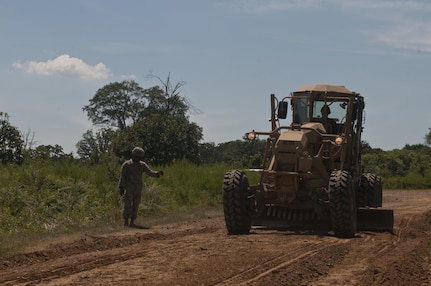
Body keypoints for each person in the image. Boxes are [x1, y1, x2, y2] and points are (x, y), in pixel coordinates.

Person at [118, 147, 164, 227]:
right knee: (127, 205)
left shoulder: (142, 165)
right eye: (138, 156)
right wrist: (121, 187)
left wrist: (157, 173)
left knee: (136, 204)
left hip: (138, 188)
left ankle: (132, 221)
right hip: (129, 188)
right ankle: (126, 221)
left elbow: (149, 172)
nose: (139, 158)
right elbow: (122, 177)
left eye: (140, 157)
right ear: (134, 155)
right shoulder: (127, 165)